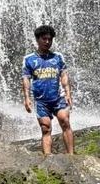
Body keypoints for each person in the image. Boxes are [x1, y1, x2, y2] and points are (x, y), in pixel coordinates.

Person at [22, 25, 74, 155]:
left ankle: (72, 156)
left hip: (58, 97)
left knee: (65, 121)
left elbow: (64, 75)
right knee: (45, 128)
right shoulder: (29, 59)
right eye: (44, 39)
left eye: (49, 39)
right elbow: (26, 79)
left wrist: (68, 93)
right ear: (37, 40)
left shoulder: (57, 57)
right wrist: (27, 98)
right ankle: (48, 159)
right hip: (41, 101)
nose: (47, 42)